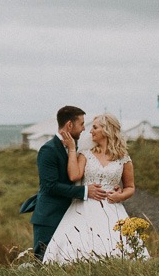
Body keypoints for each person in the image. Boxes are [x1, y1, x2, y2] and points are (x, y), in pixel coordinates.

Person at [42, 113, 149, 263]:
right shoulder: (86, 154)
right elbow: (74, 176)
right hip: (84, 208)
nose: (90, 131)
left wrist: (120, 196)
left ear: (107, 130)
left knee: (118, 250)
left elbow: (130, 187)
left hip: (113, 209)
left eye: (95, 127)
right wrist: (72, 149)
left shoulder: (123, 157)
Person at [28, 106, 109, 261]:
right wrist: (85, 191)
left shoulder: (76, 147)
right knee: (43, 262)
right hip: (49, 217)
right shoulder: (48, 150)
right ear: (69, 125)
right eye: (82, 124)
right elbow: (50, 186)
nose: (84, 129)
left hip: (71, 216)